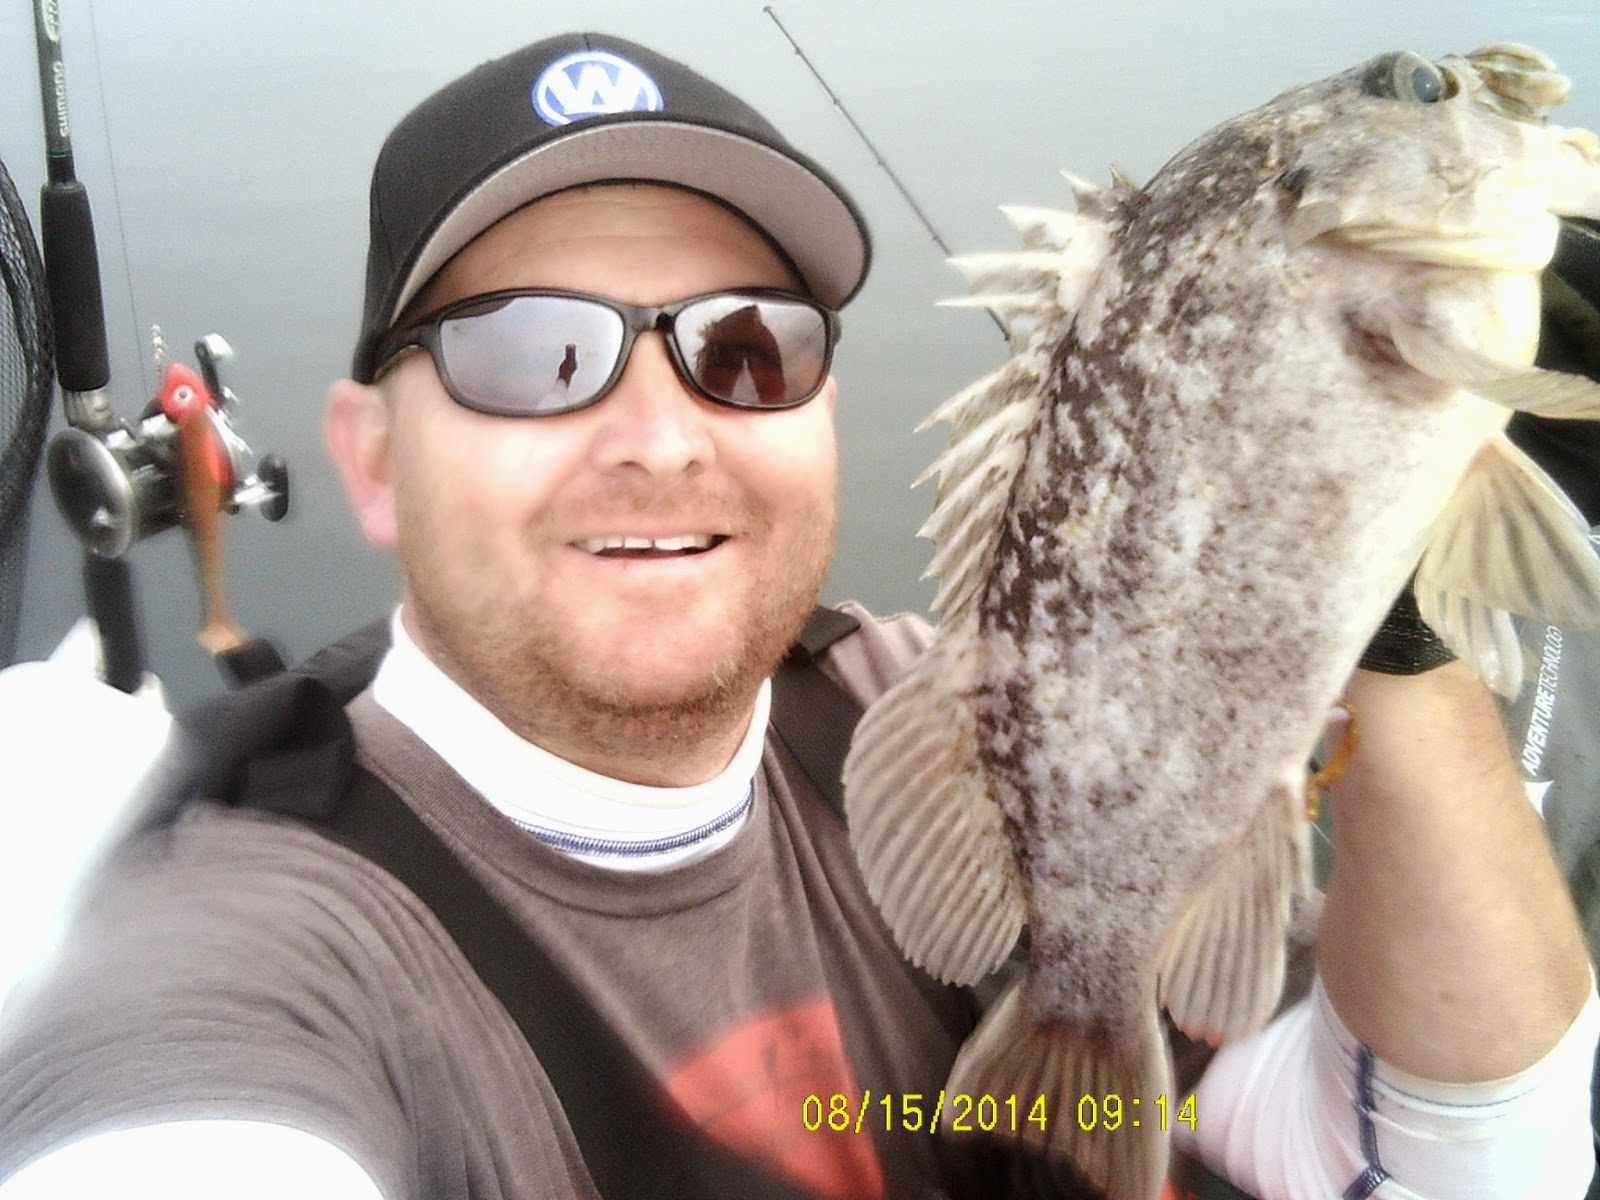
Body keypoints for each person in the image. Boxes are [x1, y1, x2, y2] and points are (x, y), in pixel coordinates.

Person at [1, 31, 1596, 1200]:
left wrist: (1385, 615)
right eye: (527, 353)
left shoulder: (948, 719)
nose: (659, 435)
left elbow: (1467, 1168)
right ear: (370, 462)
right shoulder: (258, 945)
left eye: (746, 346)